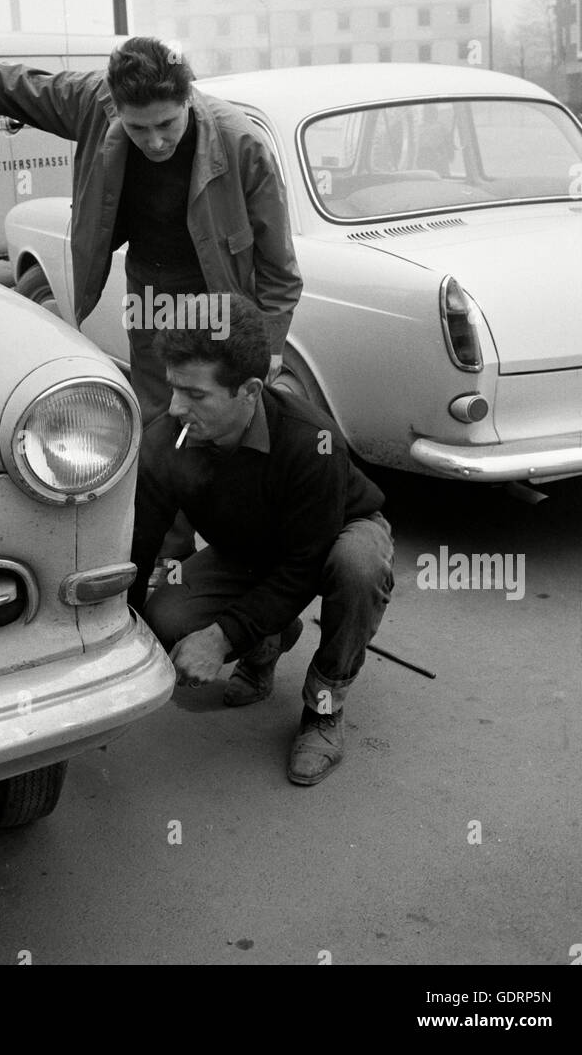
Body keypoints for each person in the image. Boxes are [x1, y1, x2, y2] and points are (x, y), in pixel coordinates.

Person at [0, 37, 302, 424]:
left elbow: (279, 265)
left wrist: (270, 345)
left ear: (188, 99)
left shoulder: (241, 143)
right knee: (159, 405)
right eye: (138, 128)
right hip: (151, 285)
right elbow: (15, 86)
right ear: (116, 107)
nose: (155, 142)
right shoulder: (92, 102)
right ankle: (158, 493)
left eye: (167, 125)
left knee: (222, 410)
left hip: (219, 292)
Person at [130, 294, 395, 787]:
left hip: (331, 539)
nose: (175, 407)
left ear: (249, 391)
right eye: (173, 389)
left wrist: (219, 637)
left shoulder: (312, 442)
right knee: (163, 619)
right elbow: (140, 543)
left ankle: (323, 709)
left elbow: (302, 566)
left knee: (358, 565)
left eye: (196, 395)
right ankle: (268, 639)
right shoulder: (168, 437)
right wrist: (116, 639)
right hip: (250, 550)